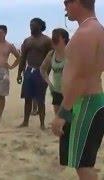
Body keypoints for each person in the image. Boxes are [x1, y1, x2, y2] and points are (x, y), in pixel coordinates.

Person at [51, 0, 104, 179]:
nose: (64, 6)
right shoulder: (96, 29)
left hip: (84, 104)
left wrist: (62, 113)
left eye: (67, 2)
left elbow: (80, 79)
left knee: (83, 165)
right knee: (84, 162)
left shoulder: (86, 33)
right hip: (90, 101)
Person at [17, 18, 53, 129]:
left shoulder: (47, 40)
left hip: (40, 72)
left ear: (40, 26)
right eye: (30, 25)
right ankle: (25, 122)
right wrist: (19, 73)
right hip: (29, 71)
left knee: (40, 99)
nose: (31, 27)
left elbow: (51, 59)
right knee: (27, 98)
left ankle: (42, 124)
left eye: (34, 25)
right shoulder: (27, 40)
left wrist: (46, 74)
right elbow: (22, 58)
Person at [40, 28, 69, 114]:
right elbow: (42, 69)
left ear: (64, 38)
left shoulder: (71, 52)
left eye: (56, 37)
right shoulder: (51, 54)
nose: (53, 39)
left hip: (70, 92)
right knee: (58, 117)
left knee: (70, 120)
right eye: (53, 37)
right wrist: (49, 83)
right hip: (56, 92)